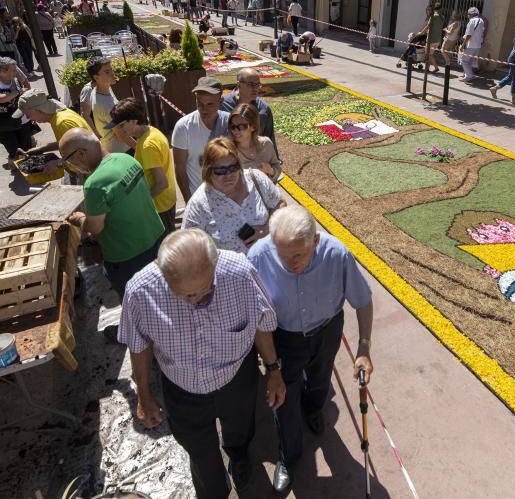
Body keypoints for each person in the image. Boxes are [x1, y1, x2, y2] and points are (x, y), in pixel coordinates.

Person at [118, 229, 283, 497]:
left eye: (205, 290)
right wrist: (143, 396)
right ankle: (214, 487)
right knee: (200, 451)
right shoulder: (140, 291)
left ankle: (239, 457)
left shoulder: (240, 272)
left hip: (237, 378)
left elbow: (261, 323)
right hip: (182, 389)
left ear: (214, 263)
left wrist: (274, 371)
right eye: (185, 295)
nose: (196, 301)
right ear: (164, 275)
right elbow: (139, 346)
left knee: (241, 430)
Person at [247, 206, 374, 492]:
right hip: (284, 337)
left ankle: (314, 409)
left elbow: (363, 301)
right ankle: (288, 457)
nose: (289, 262)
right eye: (283, 254)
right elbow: (256, 314)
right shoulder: (258, 255)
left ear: (315, 241)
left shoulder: (337, 254)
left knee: (319, 380)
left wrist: (363, 348)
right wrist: (270, 366)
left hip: (326, 331)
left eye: (298, 255)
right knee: (283, 399)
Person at [62, 129, 163, 318]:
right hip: (154, 238)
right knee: (160, 291)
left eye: (68, 160)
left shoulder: (94, 183)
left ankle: (138, 337)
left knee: (136, 303)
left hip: (127, 255)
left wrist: (79, 219)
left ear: (81, 153)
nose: (70, 166)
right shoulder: (126, 159)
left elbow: (95, 227)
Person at [181, 138, 284, 253]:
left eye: (233, 168)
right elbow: (186, 247)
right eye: (220, 170)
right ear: (207, 170)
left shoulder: (256, 179)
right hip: (230, 270)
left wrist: (267, 228)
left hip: (268, 261)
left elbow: (280, 204)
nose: (228, 175)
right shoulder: (198, 204)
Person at [107, 98, 177, 242]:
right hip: (165, 203)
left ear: (133, 121)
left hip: (160, 207)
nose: (119, 130)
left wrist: (141, 202)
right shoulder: (151, 132)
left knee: (167, 250)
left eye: (121, 125)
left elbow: (161, 183)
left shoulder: (147, 146)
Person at [171, 77, 230, 202]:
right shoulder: (183, 127)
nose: (204, 109)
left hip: (229, 198)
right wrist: (189, 201)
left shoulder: (231, 123)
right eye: (200, 104)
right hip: (200, 201)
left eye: (210, 104)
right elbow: (179, 168)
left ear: (221, 102)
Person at [13, 89, 92, 176]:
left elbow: (84, 154)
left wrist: (57, 163)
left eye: (28, 114)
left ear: (37, 110)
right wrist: (41, 149)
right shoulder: (59, 115)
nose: (28, 118)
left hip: (92, 173)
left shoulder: (62, 122)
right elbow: (68, 143)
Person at [0, 56, 35, 159]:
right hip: (5, 122)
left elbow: (23, 98)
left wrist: (32, 113)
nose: (16, 72)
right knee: (14, 150)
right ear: (3, 71)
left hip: (22, 120)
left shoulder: (15, 80)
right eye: (13, 70)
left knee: (27, 148)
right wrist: (18, 92)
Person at [80, 57, 131, 155]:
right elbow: (85, 114)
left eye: (111, 69)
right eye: (107, 72)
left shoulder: (104, 87)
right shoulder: (90, 91)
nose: (112, 73)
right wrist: (97, 135)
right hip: (120, 150)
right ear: (96, 77)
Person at [220, 68, 276, 147]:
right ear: (238, 85)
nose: (255, 89)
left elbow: (269, 138)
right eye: (250, 84)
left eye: (257, 85)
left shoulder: (263, 109)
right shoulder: (223, 105)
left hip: (255, 156)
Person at [229, 104, 281, 180]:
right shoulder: (228, 150)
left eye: (242, 126)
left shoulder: (266, 144)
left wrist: (271, 170)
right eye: (233, 126)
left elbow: (277, 167)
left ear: (253, 127)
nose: (236, 131)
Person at [460, 7, 486, 83]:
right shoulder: (481, 20)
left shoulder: (472, 21)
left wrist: (463, 45)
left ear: (471, 14)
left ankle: (469, 76)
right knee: (470, 61)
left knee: (464, 60)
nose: (467, 15)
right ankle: (468, 74)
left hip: (471, 44)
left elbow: (469, 34)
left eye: (468, 14)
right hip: (478, 45)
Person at [424, 3, 445, 74]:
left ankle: (436, 67)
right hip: (438, 39)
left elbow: (428, 26)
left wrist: (421, 32)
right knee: (430, 54)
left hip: (431, 39)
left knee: (428, 54)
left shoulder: (433, 16)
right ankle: (427, 69)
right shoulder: (442, 17)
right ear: (440, 9)